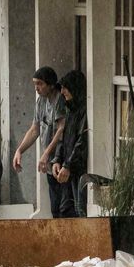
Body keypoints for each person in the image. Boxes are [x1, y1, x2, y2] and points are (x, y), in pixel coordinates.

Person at [12, 67, 71, 217]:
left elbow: (61, 129)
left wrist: (46, 153)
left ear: (50, 84)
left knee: (65, 209)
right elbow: (34, 129)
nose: (37, 88)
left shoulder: (59, 100)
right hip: (50, 164)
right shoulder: (40, 102)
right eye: (35, 84)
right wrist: (20, 150)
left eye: (40, 84)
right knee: (55, 209)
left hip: (62, 160)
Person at [50, 70, 88, 218]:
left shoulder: (83, 111)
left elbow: (81, 140)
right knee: (65, 209)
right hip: (68, 168)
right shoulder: (70, 109)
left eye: (66, 87)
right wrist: (57, 160)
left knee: (78, 209)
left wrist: (68, 165)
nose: (62, 91)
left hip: (77, 169)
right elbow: (64, 137)